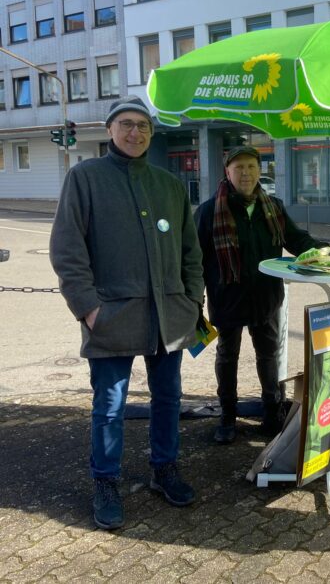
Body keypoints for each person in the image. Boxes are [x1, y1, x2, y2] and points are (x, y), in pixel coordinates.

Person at [49, 96, 205, 530]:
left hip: (170, 315)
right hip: (112, 316)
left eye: (143, 126)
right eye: (126, 125)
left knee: (168, 398)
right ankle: (106, 482)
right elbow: (67, 249)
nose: (135, 133)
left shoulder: (170, 185)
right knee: (110, 405)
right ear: (110, 130)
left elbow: (192, 252)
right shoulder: (85, 178)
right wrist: (88, 309)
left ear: (151, 134)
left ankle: (165, 469)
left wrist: (193, 300)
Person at [195, 145, 326, 444]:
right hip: (226, 298)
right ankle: (227, 415)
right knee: (227, 356)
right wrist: (195, 300)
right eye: (239, 167)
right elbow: (195, 259)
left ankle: (271, 411)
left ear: (259, 170)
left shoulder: (274, 207)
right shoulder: (207, 211)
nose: (246, 173)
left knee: (268, 356)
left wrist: (319, 250)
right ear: (227, 172)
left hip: (266, 298)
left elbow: (296, 239)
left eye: (252, 167)